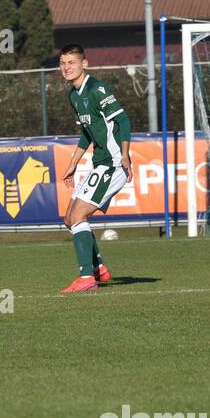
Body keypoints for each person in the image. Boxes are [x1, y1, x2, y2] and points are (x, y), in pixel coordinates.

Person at [57, 44, 132, 293]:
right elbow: (86, 133)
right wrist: (73, 163)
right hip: (99, 163)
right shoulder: (74, 95)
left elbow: (123, 120)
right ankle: (99, 268)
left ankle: (87, 277)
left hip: (112, 164)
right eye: (63, 63)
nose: (66, 67)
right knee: (70, 219)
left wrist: (125, 156)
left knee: (78, 217)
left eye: (72, 62)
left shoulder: (97, 89)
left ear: (84, 64)